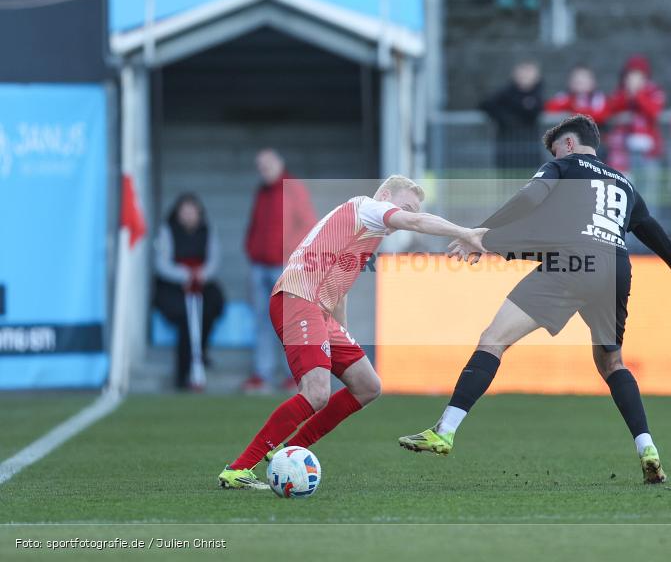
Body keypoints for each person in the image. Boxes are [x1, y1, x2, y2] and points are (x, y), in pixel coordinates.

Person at [398, 115, 671, 484]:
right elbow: (652, 230)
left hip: (572, 262)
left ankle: (445, 430)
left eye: (556, 148)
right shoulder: (624, 184)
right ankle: (647, 448)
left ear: (569, 144)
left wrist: (482, 232)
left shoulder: (564, 165)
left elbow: (529, 198)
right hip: (616, 268)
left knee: (493, 340)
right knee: (612, 363)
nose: (554, 155)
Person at [218, 176, 488, 489]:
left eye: (411, 210)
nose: (406, 216)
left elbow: (340, 291)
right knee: (317, 393)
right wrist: (466, 233)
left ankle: (289, 450)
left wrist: (340, 337)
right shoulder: (367, 207)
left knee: (367, 386)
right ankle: (239, 468)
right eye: (405, 206)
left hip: (318, 309)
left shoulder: (364, 230)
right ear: (385, 195)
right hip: (299, 299)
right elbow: (415, 222)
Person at [243, 149, 317, 393]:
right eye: (260, 166)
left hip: (284, 267)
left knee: (290, 324)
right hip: (260, 265)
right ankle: (261, 374)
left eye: (267, 165)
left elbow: (307, 224)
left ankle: (293, 375)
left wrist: (292, 257)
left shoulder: (293, 188)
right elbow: (255, 224)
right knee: (261, 322)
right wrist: (251, 249)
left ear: (279, 163)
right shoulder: (261, 191)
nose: (263, 170)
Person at [153, 193, 225, 391]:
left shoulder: (207, 231)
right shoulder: (167, 231)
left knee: (212, 305)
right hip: (174, 285)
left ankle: (200, 352)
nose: (188, 215)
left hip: (201, 282)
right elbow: (162, 264)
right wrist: (184, 275)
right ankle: (182, 373)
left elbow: (214, 260)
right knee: (186, 317)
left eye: (192, 211)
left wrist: (201, 275)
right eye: (184, 211)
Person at [595, 55, 666, 204]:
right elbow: (608, 111)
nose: (634, 80)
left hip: (648, 153)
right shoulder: (620, 94)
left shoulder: (654, 92)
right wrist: (627, 96)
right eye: (631, 75)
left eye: (639, 76)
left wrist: (637, 94)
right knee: (623, 194)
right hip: (622, 153)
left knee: (648, 194)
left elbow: (653, 111)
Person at [479, 60, 544, 172]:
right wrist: (505, 118)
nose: (525, 76)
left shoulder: (538, 94)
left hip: (530, 148)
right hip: (507, 146)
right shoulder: (505, 92)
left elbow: (533, 111)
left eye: (529, 73)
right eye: (523, 72)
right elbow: (486, 104)